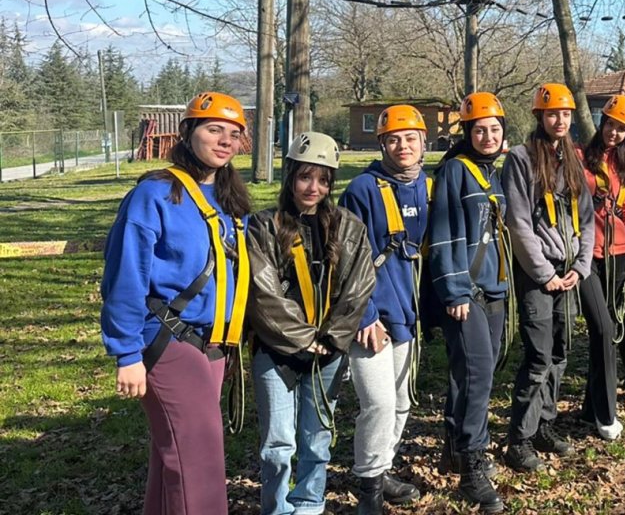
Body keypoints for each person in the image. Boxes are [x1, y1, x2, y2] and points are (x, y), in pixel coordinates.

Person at [101, 91, 253, 515]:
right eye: (214, 129)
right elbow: (124, 274)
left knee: (175, 464)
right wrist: (126, 352)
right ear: (188, 133)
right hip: (166, 340)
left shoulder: (229, 201)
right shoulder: (155, 194)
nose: (225, 140)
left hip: (214, 344)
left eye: (234, 134)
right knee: (199, 465)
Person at [246, 132, 376, 515]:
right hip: (277, 351)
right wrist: (305, 339)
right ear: (290, 178)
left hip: (328, 352)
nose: (313, 188)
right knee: (278, 444)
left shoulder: (348, 227)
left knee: (317, 439)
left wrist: (333, 338)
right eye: (305, 177)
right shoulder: (264, 226)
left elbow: (359, 285)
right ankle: (277, 509)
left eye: (322, 180)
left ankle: (309, 504)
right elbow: (263, 292)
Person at [338, 104, 431, 513]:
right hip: (371, 316)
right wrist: (365, 315)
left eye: (410, 138)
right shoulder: (362, 190)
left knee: (402, 400)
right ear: (382, 144)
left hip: (408, 313)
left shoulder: (427, 186)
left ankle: (381, 468)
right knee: (377, 402)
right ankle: (369, 491)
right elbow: (344, 257)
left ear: (424, 142)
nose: (403, 145)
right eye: (393, 139)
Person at [502, 83, 595, 472]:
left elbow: (587, 219)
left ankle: (545, 424)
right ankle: (519, 439)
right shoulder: (521, 159)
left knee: (560, 352)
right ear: (539, 116)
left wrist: (580, 267)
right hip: (537, 274)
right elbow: (519, 222)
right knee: (538, 356)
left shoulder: (572, 158)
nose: (560, 120)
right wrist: (544, 274)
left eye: (566, 114)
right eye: (552, 114)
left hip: (568, 272)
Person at [427, 92, 511, 513]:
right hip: (467, 292)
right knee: (478, 375)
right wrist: (455, 289)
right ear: (467, 133)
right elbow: (443, 236)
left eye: (494, 129)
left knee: (473, 370)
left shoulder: (491, 173)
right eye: (480, 129)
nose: (488, 135)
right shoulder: (455, 172)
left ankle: (454, 444)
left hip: (494, 288)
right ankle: (472, 464)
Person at [581, 94, 625, 432]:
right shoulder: (581, 158)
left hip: (619, 256)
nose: (615, 133)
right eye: (611, 125)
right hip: (587, 257)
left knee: (603, 332)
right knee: (605, 329)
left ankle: (589, 404)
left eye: (622, 129)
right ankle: (606, 415)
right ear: (601, 123)